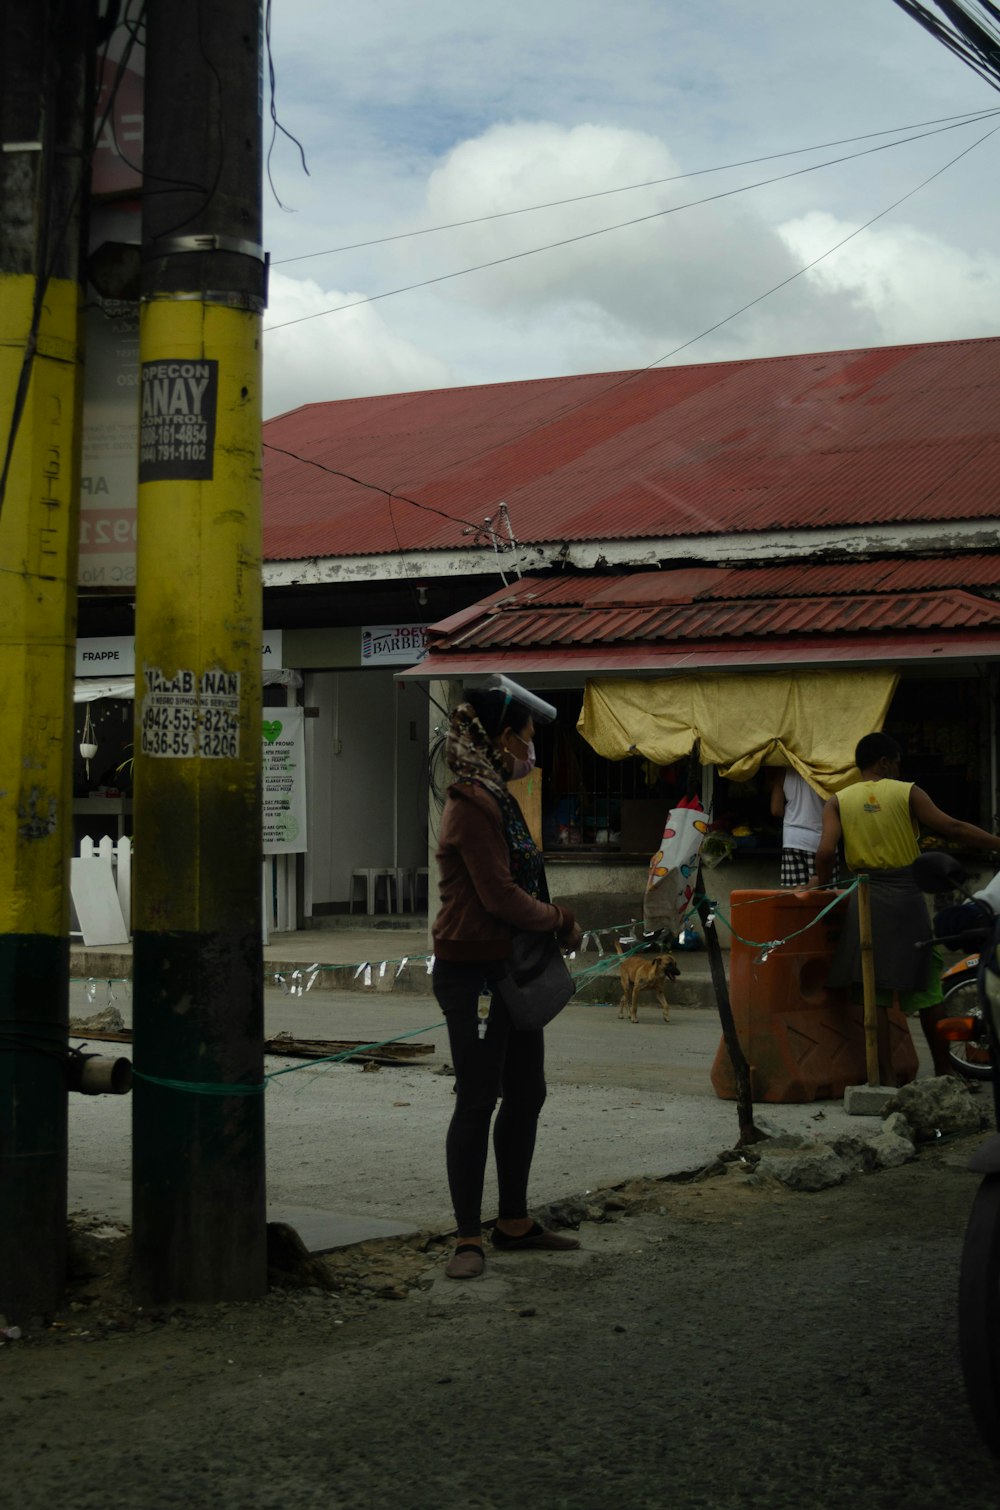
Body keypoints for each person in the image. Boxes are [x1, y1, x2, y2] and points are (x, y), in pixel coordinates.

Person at [432, 681, 584, 1279]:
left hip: (512, 968)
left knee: (527, 1092)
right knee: (476, 1099)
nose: (530, 749)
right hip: (473, 970)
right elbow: (498, 895)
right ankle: (468, 1237)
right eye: (525, 737)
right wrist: (561, 920)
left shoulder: (498, 795)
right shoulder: (472, 803)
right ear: (500, 739)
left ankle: (514, 1221)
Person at [811, 732, 1000, 1080]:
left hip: (864, 899)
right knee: (927, 988)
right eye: (896, 762)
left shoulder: (837, 800)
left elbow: (825, 853)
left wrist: (824, 887)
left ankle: (883, 1077)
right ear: (885, 762)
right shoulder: (907, 791)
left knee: (876, 993)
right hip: (906, 897)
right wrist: (998, 844)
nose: (899, 769)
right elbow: (953, 828)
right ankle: (945, 1073)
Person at [768, 766, 830, 887]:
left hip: (792, 839)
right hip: (821, 840)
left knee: (798, 894)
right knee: (824, 895)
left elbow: (776, 810)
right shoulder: (826, 768)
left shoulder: (784, 771)